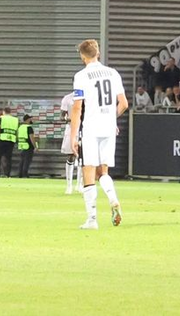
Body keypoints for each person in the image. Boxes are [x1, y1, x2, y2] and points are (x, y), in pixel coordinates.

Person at [69, 37, 128, 230]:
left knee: (88, 172)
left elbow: (77, 108)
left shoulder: (82, 76)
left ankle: (92, 219)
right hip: (108, 127)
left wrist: (73, 135)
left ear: (82, 56)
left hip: (92, 128)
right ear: (98, 53)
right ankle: (113, 199)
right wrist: (112, 119)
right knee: (103, 172)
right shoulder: (113, 73)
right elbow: (124, 104)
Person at [59, 91, 82, 195]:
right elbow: (62, 116)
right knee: (71, 156)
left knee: (83, 156)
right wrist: (68, 119)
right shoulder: (67, 98)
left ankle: (79, 184)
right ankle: (69, 186)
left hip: (84, 128)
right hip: (71, 128)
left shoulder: (88, 96)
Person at [0, 106, 19, 177]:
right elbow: (17, 131)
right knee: (8, 158)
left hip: (2, 140)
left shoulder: (2, 118)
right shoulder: (15, 120)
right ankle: (7, 174)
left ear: (3, 112)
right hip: (11, 140)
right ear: (10, 112)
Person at [17, 113, 36, 178]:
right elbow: (31, 138)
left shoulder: (20, 127)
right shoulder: (29, 127)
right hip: (28, 147)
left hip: (22, 146)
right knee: (27, 162)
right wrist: (35, 146)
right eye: (30, 118)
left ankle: (20, 174)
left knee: (22, 161)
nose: (31, 120)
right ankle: (25, 174)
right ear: (27, 119)